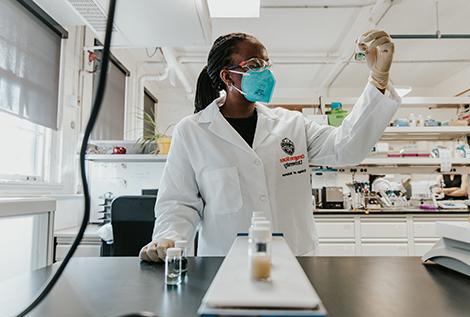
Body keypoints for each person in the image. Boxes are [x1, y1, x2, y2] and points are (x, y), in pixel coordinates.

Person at [140, 30, 401, 261]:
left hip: (295, 257)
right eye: (254, 65)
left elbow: (347, 148)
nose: (264, 71)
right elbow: (178, 203)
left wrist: (378, 79)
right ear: (227, 77)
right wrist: (169, 238)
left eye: (266, 64)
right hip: (226, 262)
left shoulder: (292, 124)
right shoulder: (193, 131)